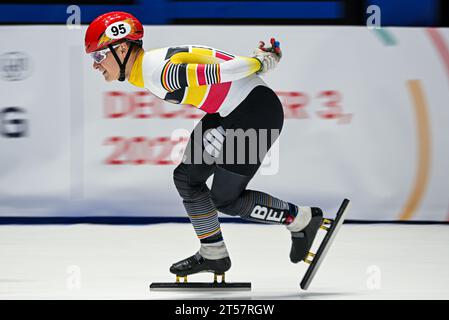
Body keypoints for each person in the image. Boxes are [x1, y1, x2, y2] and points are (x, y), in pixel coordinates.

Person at [85, 11, 323, 279]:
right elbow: (218, 65)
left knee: (226, 199)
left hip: (255, 113)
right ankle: (214, 253)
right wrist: (259, 61)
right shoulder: (151, 65)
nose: (95, 65)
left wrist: (259, 63)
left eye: (98, 55)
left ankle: (301, 219)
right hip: (230, 112)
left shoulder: (158, 73)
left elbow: (222, 71)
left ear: (123, 48)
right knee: (187, 178)